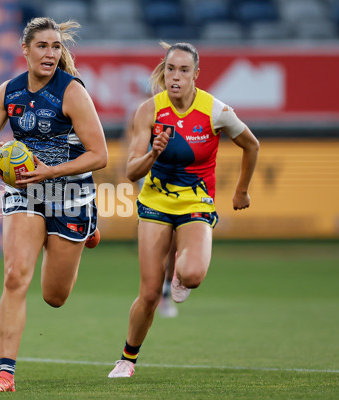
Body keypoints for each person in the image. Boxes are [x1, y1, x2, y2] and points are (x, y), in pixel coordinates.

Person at [108, 41, 259, 378]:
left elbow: (252, 145)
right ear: (164, 71)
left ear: (196, 75)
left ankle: (179, 272)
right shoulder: (148, 110)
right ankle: (126, 359)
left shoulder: (215, 110)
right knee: (148, 294)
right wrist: (153, 153)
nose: (175, 77)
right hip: (155, 202)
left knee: (192, 275)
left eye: (184, 70)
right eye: (170, 69)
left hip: (196, 201)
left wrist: (242, 190)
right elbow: (131, 172)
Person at [0, 17, 107, 392]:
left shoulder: (72, 92)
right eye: (43, 46)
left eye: (56, 47)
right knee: (15, 276)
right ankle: (5, 374)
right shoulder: (9, 92)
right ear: (25, 50)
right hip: (26, 194)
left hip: (70, 196)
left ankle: (88, 227)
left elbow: (100, 155)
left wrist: (51, 171)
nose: (50, 53)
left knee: (54, 297)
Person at [123, 84, 178, 319]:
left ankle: (165, 289)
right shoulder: (141, 112)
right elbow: (130, 140)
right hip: (148, 174)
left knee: (174, 237)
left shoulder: (178, 110)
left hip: (175, 177)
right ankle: (153, 290)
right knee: (153, 230)